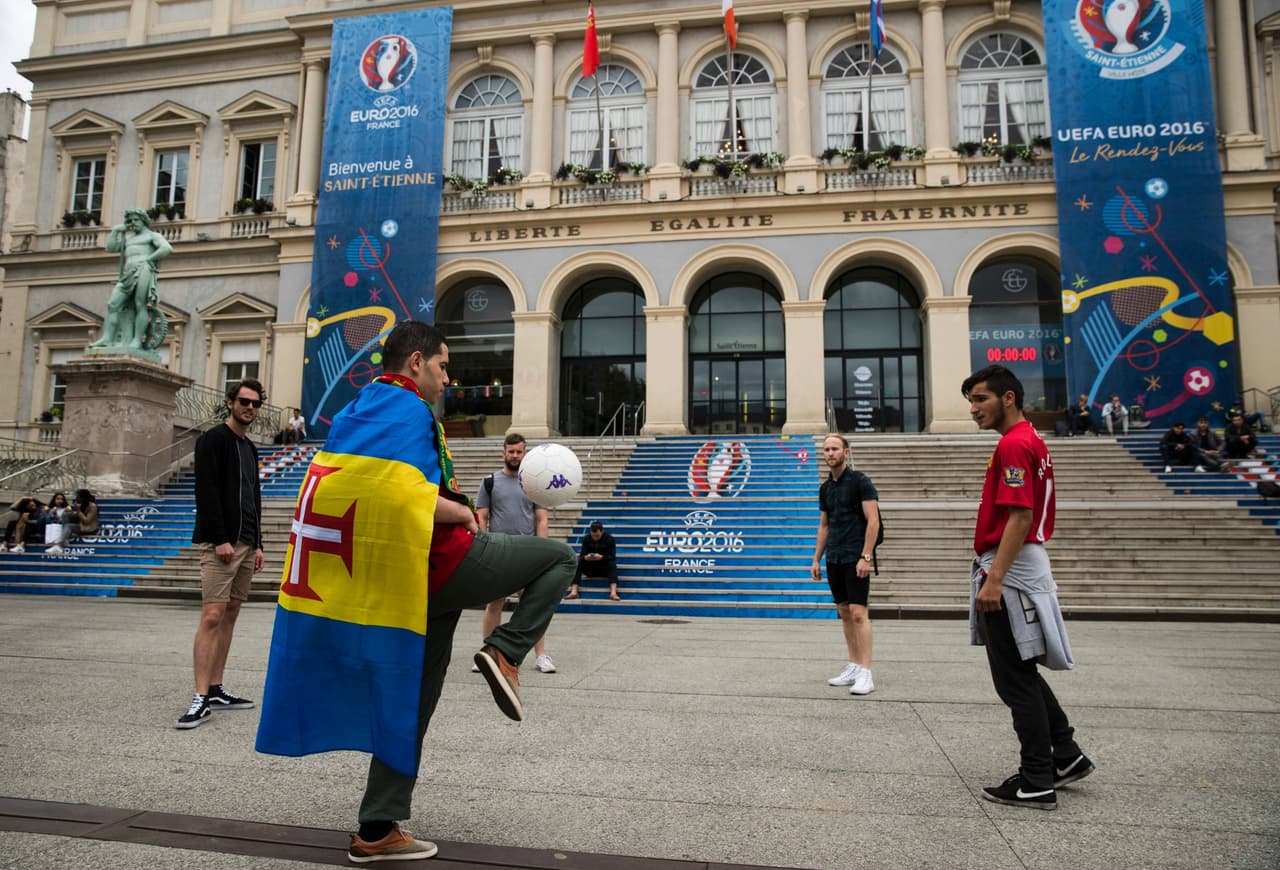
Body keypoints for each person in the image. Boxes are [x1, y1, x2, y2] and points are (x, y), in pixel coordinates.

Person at [254, 321, 575, 863]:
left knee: (412, 702)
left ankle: (377, 827)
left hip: (406, 581)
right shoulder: (406, 410)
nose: (448, 379)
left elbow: (361, 488)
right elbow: (407, 497)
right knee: (559, 560)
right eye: (444, 366)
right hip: (441, 560)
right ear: (417, 362)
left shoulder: (360, 410)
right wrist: (464, 516)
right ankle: (505, 651)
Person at [961, 364, 1093, 811]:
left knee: (1013, 679)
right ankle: (1066, 755)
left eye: (981, 399)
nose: (974, 409)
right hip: (1022, 563)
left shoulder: (1015, 444)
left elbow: (1018, 516)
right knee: (1024, 670)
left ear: (1009, 397)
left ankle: (1037, 777)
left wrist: (994, 579)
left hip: (1012, 567)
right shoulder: (1031, 439)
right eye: (971, 401)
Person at [175, 379, 265, 729]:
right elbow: (206, 491)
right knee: (212, 614)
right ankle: (199, 698)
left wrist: (257, 543)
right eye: (244, 401)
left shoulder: (250, 448)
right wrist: (219, 538)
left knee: (230, 614)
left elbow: (253, 497)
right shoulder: (213, 440)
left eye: (256, 404)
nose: (250, 408)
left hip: (245, 541)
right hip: (222, 543)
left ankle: (215, 687)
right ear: (229, 403)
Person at [475, 433, 557, 674]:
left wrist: (543, 553)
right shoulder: (490, 482)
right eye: (510, 451)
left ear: (525, 453)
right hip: (499, 552)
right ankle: (488, 653)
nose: (514, 455)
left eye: (519, 451)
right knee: (493, 604)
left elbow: (542, 519)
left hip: (529, 554)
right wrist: (482, 547)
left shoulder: (533, 482)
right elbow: (482, 517)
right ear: (504, 453)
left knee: (534, 607)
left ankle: (541, 656)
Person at [810, 433, 881, 696]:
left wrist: (866, 555)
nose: (830, 453)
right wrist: (817, 558)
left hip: (855, 556)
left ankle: (866, 672)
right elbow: (824, 525)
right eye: (827, 449)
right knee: (844, 613)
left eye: (835, 448)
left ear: (846, 452)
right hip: (835, 557)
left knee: (859, 613)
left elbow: (872, 521)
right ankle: (853, 665)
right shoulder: (826, 488)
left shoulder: (860, 482)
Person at [89, 208, 171, 351]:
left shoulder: (152, 236)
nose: (133, 223)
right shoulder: (128, 239)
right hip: (127, 274)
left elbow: (167, 248)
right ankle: (107, 338)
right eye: (130, 221)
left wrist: (149, 259)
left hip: (143, 270)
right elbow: (110, 248)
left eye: (136, 220)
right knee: (113, 304)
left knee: (140, 304)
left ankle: (137, 341)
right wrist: (115, 231)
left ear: (143, 221)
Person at [566, 521, 620, 601]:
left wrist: (601, 557)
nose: (595, 538)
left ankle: (613, 593)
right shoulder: (586, 538)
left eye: (597, 536)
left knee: (612, 564)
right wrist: (586, 557)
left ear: (602, 531)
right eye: (593, 535)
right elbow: (581, 556)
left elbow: (612, 557)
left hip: (603, 569)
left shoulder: (610, 539)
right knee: (579, 562)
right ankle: (574, 591)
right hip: (590, 569)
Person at [45, 490, 99, 555]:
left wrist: (78, 510)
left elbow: (86, 521)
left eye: (78, 497)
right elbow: (78, 516)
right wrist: (71, 512)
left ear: (83, 498)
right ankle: (65, 537)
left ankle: (60, 545)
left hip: (90, 528)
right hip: (81, 524)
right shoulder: (81, 504)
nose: (76, 498)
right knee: (65, 514)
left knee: (69, 526)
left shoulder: (93, 506)